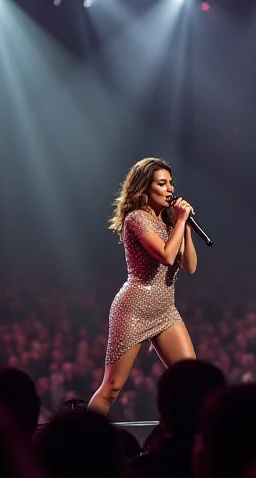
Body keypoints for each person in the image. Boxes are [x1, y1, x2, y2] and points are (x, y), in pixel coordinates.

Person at [88, 158, 198, 415]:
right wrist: (180, 223)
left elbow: (189, 267)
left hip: (165, 310)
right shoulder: (136, 219)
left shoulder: (171, 222)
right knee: (112, 387)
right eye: (162, 183)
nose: (170, 189)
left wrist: (186, 227)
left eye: (171, 183)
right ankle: (82, 439)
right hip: (134, 309)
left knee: (192, 380)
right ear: (145, 188)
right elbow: (166, 256)